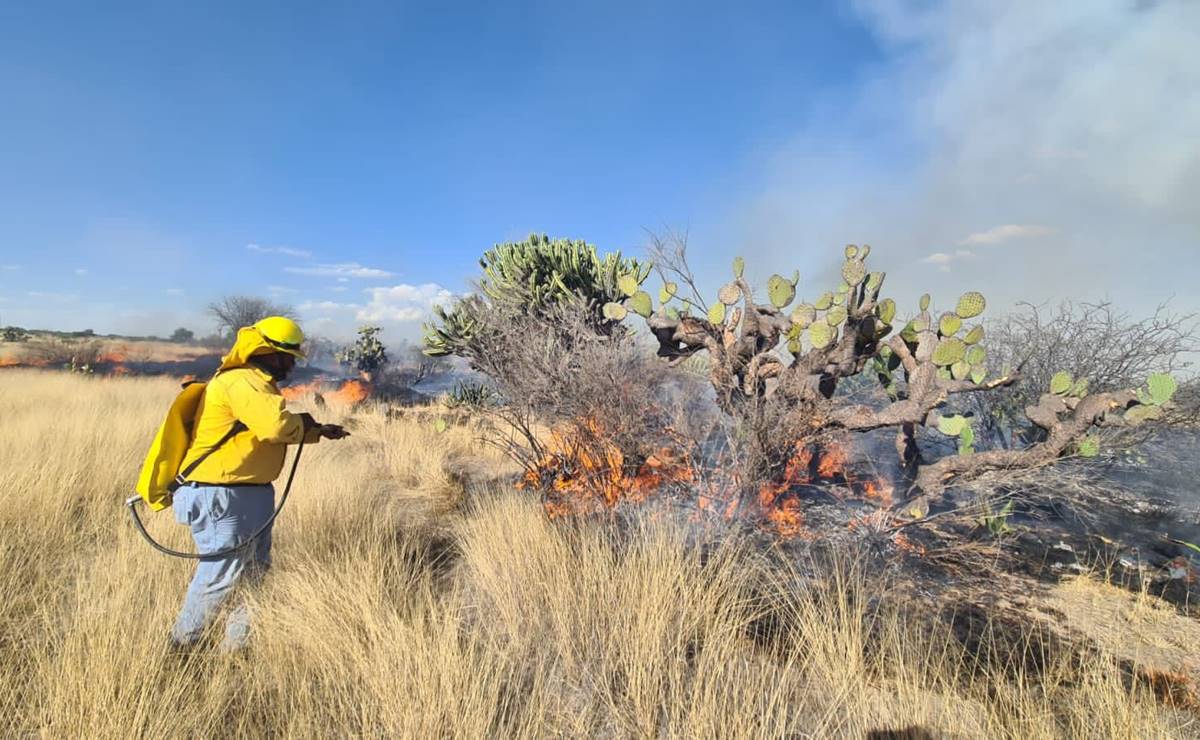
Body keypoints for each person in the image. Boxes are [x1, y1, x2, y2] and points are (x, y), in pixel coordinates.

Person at [170, 316, 349, 650]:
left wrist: (316, 431)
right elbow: (274, 426)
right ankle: (183, 648)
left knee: (253, 572)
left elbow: (266, 427)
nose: (292, 365)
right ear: (267, 352)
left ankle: (237, 648)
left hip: (247, 493)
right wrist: (303, 424)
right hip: (222, 494)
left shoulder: (257, 384)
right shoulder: (242, 381)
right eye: (288, 357)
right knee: (220, 576)